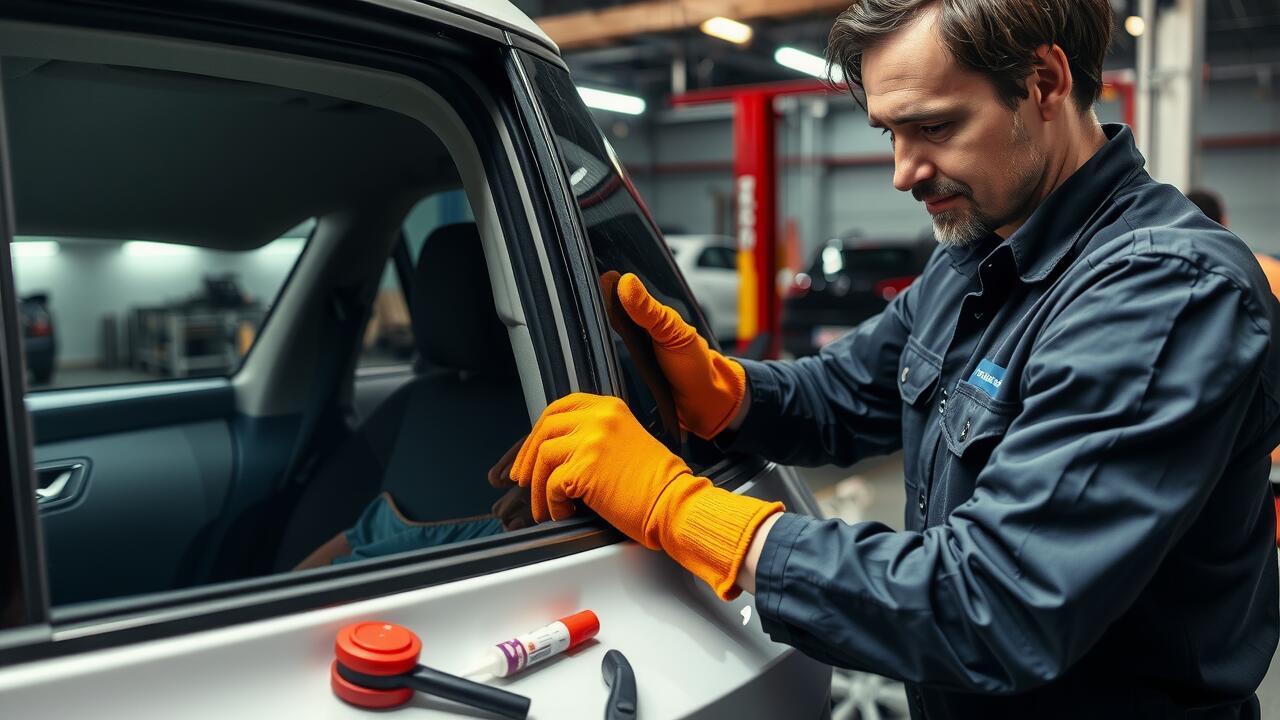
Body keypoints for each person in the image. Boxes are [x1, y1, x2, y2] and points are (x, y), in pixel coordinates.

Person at [502, 1, 1280, 717]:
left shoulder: (1166, 292)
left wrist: (682, 510)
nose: (904, 172)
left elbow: (996, 604)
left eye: (933, 127)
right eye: (890, 134)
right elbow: (844, 392)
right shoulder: (974, 254)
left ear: (1044, 82)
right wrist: (730, 394)